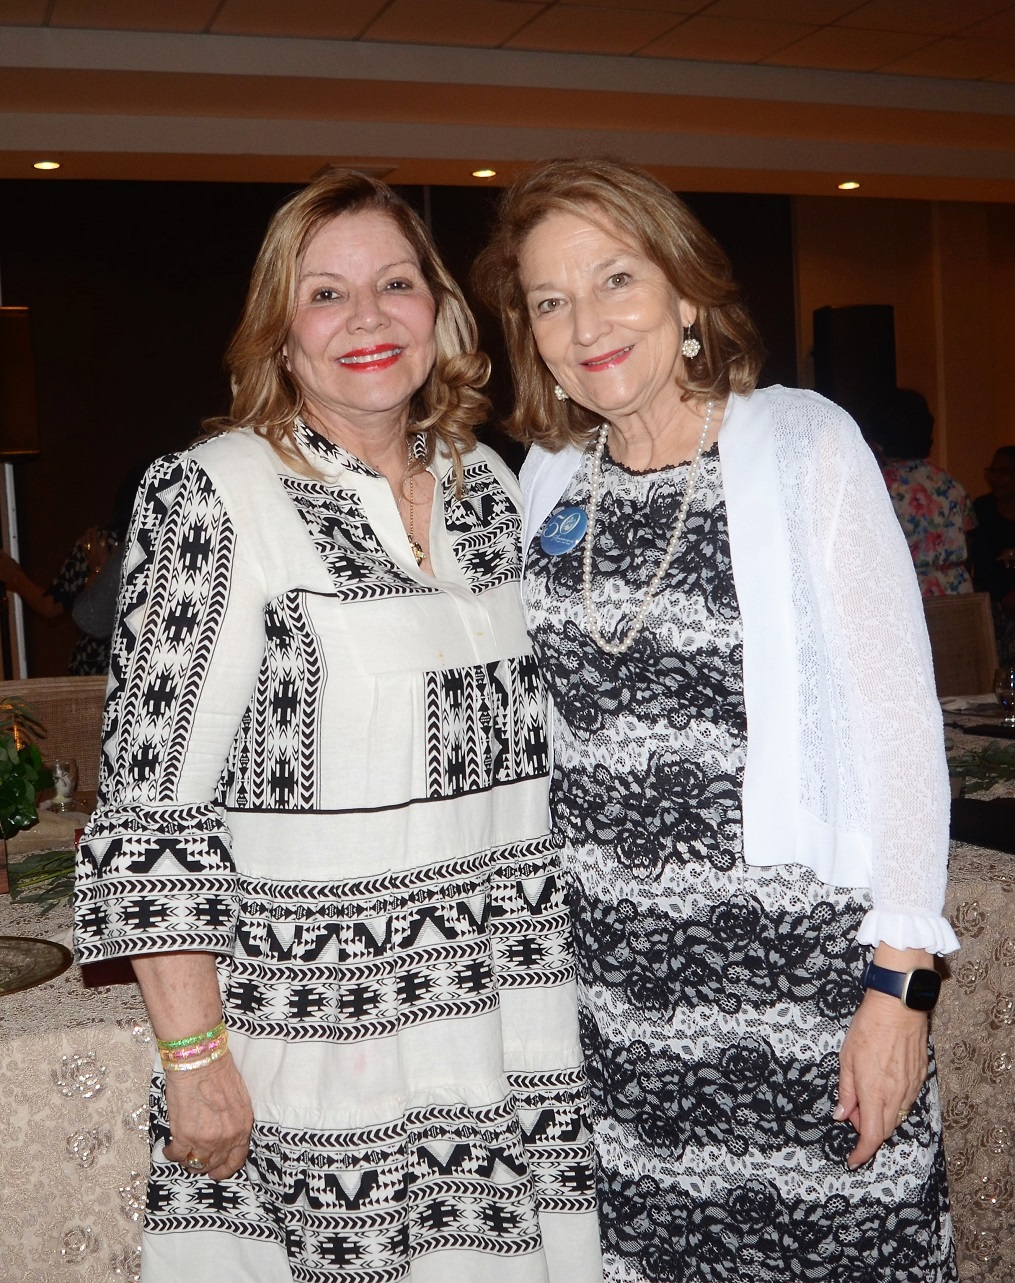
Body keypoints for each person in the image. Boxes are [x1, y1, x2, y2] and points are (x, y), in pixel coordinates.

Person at [74, 169, 600, 1282]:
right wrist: (194, 1053)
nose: (366, 317)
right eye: (326, 293)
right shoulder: (213, 494)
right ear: (279, 332)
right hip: (326, 1054)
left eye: (395, 283)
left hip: (513, 1035)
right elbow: (149, 808)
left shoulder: (489, 488)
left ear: (440, 312)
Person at [472, 158, 958, 1283]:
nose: (584, 323)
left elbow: (898, 724)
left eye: (614, 280)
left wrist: (898, 987)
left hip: (798, 994)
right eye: (549, 300)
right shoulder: (546, 476)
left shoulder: (800, 444)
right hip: (620, 1010)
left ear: (686, 293)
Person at [0, 463, 148, 673]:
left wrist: (16, 577)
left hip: (101, 668)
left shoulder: (104, 542)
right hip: (126, 669)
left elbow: (50, 606)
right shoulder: (104, 542)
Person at [865, 387, 976, 597]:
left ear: (878, 441)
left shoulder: (880, 486)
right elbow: (968, 543)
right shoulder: (949, 482)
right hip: (955, 592)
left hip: (907, 594)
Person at [971, 445, 1015, 664]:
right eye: (993, 471)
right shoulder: (981, 508)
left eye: (1004, 473)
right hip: (988, 605)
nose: (996, 479)